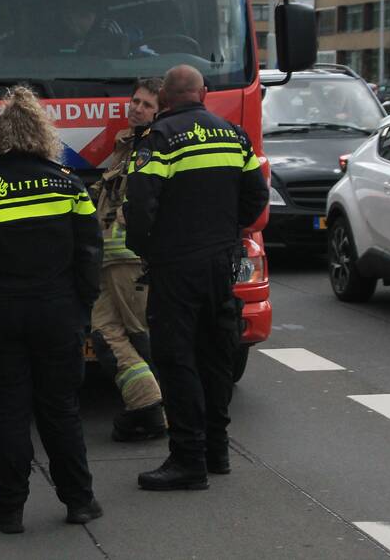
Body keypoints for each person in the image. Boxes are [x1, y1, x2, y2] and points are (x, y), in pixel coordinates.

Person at [0, 86, 103, 534]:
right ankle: (80, 501)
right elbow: (90, 251)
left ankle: (9, 510)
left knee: (9, 411)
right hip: (56, 311)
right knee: (61, 409)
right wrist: (82, 306)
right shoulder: (67, 182)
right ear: (41, 133)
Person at [124, 65, 268, 491]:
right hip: (222, 262)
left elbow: (140, 206)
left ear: (165, 97)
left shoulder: (160, 140)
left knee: (175, 357)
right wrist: (225, 234)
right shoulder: (233, 134)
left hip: (176, 267)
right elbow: (256, 197)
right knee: (215, 354)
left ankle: (187, 459)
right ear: (203, 93)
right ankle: (215, 450)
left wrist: (149, 250)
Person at [88, 77, 166, 442]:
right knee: (103, 334)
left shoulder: (157, 146)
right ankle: (146, 404)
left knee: (141, 336)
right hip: (107, 258)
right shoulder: (127, 144)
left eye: (147, 104)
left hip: (133, 260)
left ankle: (162, 414)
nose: (137, 108)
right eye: (135, 101)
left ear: (161, 111)